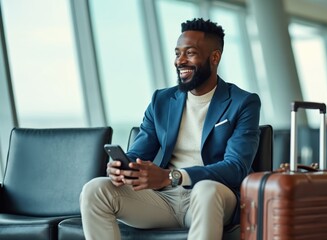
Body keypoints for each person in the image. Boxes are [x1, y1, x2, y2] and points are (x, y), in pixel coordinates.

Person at [79, 18, 261, 240]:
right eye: (177, 53)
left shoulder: (243, 102)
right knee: (95, 189)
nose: (180, 61)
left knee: (206, 190)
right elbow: (138, 153)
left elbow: (235, 168)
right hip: (163, 201)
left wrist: (171, 176)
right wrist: (121, 169)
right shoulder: (161, 100)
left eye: (190, 53)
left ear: (214, 57)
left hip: (213, 197)